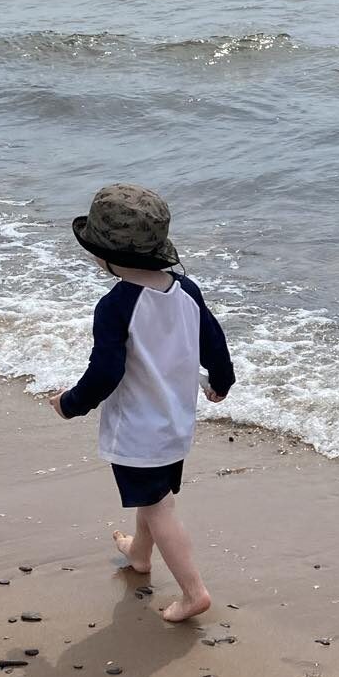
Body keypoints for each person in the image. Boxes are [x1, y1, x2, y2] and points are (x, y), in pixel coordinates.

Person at [49, 183, 235, 622]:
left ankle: (194, 592)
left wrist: (69, 404)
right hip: (176, 423)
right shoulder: (185, 289)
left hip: (138, 430)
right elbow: (216, 342)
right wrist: (222, 382)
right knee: (153, 495)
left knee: (157, 505)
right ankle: (139, 555)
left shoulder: (116, 305)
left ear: (106, 256)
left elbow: (106, 372)